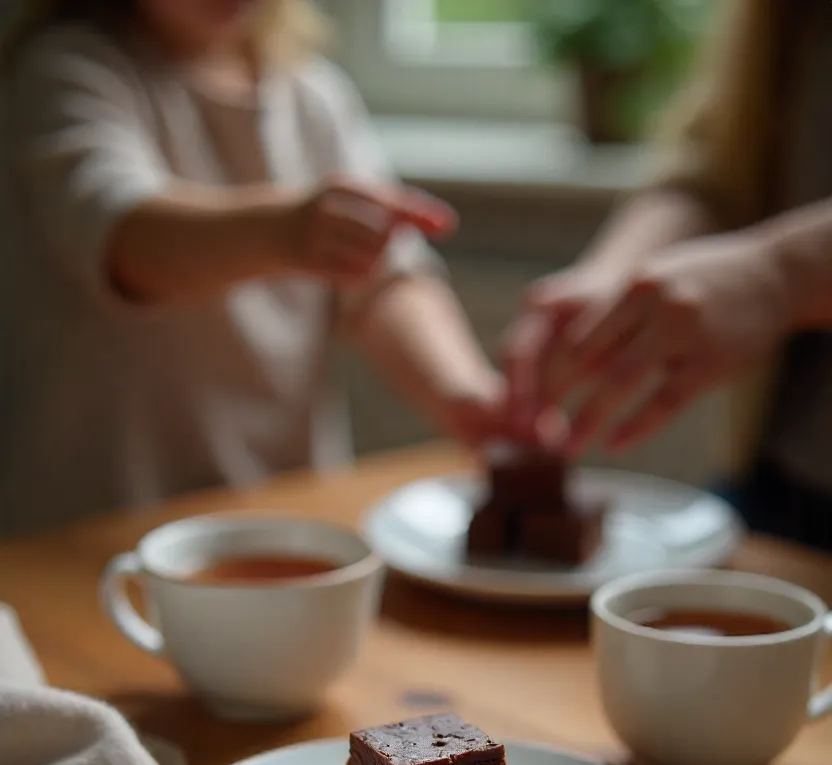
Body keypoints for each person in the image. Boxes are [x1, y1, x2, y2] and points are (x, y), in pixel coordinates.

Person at [0, 0, 524, 534]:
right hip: (94, 531)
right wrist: (285, 232)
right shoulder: (69, 70)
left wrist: (463, 392)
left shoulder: (311, 92)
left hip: (279, 520)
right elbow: (127, 241)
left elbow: (386, 282)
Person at [504, 0, 832, 551]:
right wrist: (617, 274)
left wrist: (782, 274)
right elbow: (715, 164)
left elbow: (776, 270)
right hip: (778, 487)